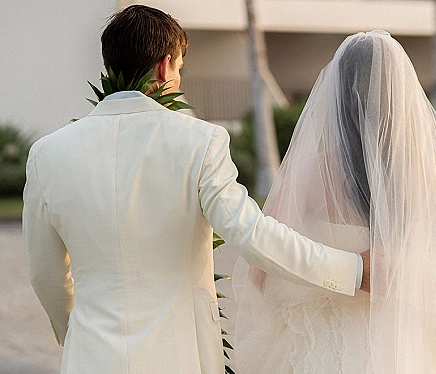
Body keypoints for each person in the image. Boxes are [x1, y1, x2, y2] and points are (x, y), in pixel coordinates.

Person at [22, 5, 370, 374]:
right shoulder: (200, 141)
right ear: (164, 66)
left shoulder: (47, 154)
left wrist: (76, 331)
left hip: (89, 358)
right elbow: (254, 236)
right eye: (180, 70)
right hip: (180, 355)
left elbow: (45, 273)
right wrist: (354, 270)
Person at [233, 30, 436, 373]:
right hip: (413, 344)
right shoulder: (433, 173)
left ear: (337, 96)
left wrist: (323, 287)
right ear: (401, 95)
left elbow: (260, 271)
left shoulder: (310, 174)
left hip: (327, 348)